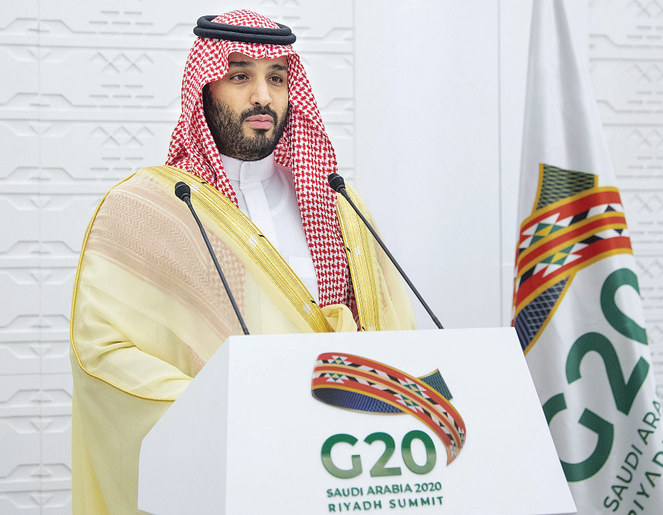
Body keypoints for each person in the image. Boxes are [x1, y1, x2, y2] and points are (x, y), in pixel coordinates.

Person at [69, 10, 414, 514]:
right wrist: (230, 418)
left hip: (339, 467)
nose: (262, 96)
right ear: (204, 88)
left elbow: (393, 333)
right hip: (227, 472)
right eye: (239, 76)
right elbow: (102, 350)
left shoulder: (337, 202)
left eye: (276, 78)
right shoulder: (149, 208)